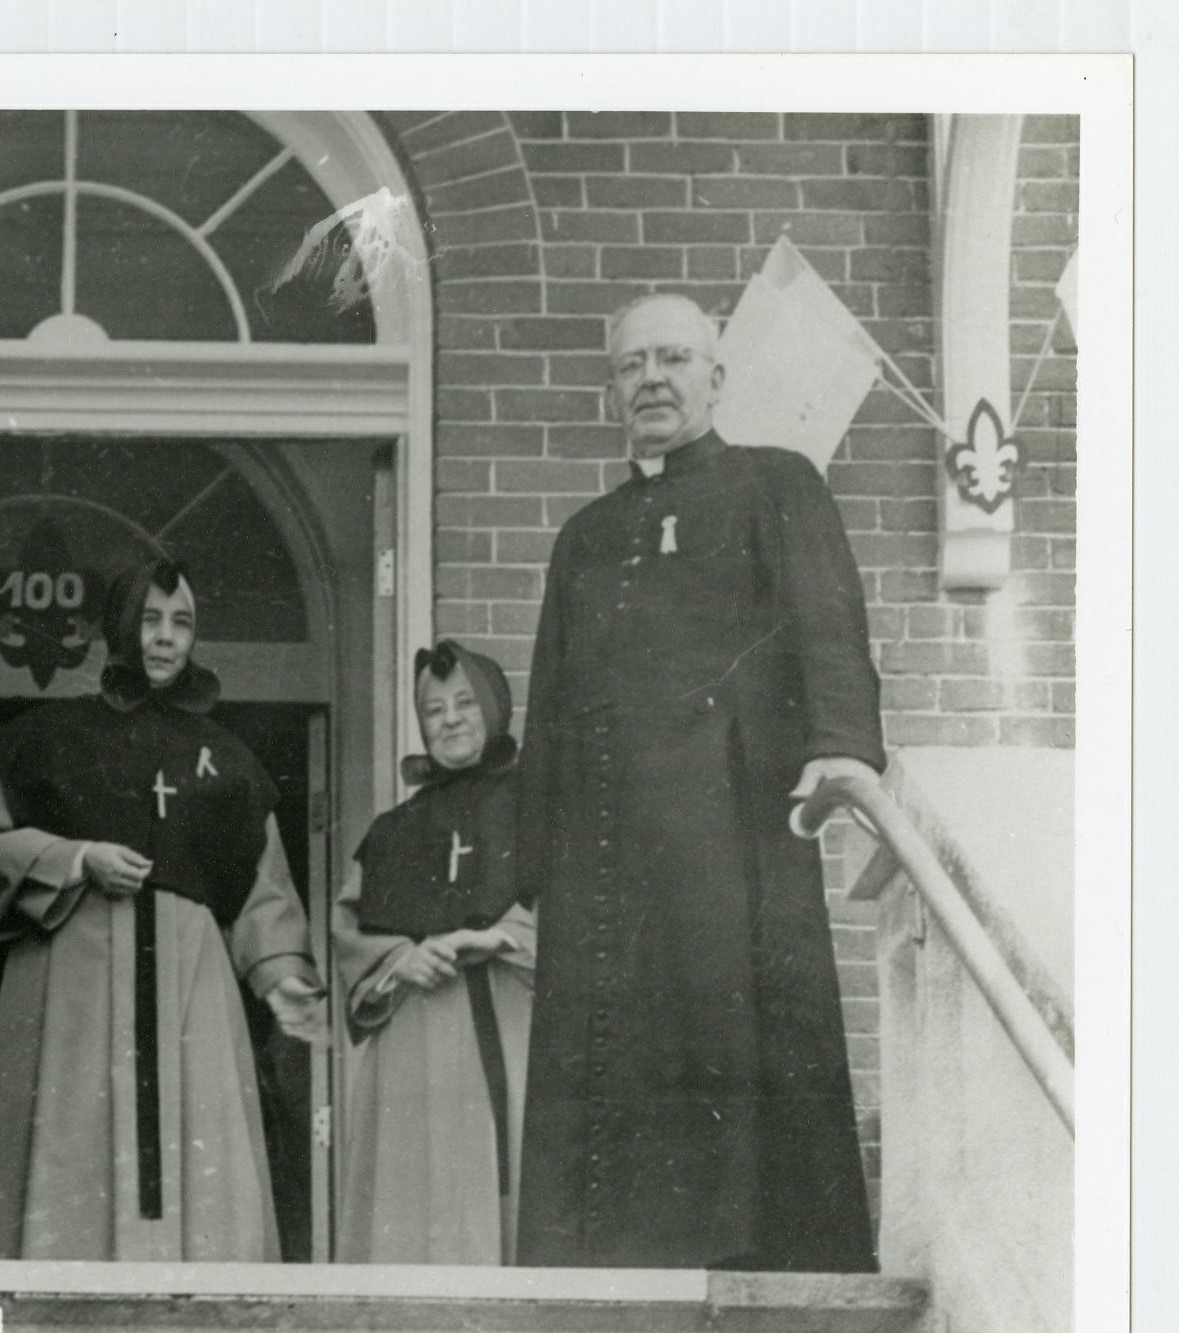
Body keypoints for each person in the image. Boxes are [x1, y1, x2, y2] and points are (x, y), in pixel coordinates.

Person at [515, 292, 886, 1273]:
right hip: (605, 862)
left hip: (729, 836)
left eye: (673, 359)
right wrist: (524, 860)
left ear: (715, 379)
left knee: (731, 1053)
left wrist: (842, 746)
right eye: (631, 365)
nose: (651, 379)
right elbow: (550, 701)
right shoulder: (585, 536)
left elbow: (825, 622)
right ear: (610, 390)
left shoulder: (776, 485)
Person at [0, 557, 327, 1263]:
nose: (164, 639)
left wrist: (285, 984)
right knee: (73, 1151)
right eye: (149, 621)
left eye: (180, 623)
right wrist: (76, 859)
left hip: (192, 984)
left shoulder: (224, 756)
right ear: (119, 629)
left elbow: (263, 888)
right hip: (76, 975)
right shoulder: (47, 735)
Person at [334, 640, 537, 1265]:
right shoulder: (392, 830)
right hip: (417, 1036)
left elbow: (585, 906)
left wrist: (501, 936)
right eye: (433, 709)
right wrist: (401, 959)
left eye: (464, 703)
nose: (449, 719)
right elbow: (349, 929)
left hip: (512, 1019)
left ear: (495, 709)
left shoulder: (538, 806)